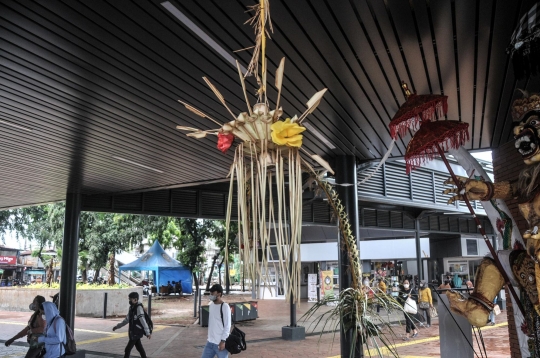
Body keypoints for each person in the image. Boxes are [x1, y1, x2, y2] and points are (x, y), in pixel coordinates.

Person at [113, 292, 151, 358]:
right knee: (139, 348)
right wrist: (117, 326)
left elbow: (143, 321)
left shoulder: (139, 308)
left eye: (131, 299)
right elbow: (127, 320)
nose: (129, 301)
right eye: (129, 299)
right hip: (133, 332)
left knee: (127, 349)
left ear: (136, 299)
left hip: (136, 332)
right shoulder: (131, 308)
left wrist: (147, 332)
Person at [201, 284, 231, 358]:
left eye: (212, 293)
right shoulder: (211, 305)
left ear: (219, 293)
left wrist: (223, 341)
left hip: (220, 343)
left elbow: (227, 325)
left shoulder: (225, 307)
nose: (211, 294)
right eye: (210, 293)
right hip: (210, 342)